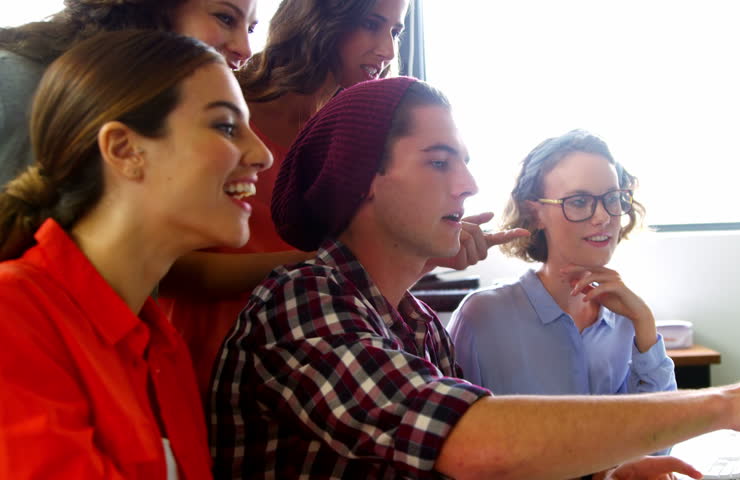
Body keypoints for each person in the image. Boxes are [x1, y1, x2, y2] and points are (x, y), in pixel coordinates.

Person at [209, 76, 740, 479]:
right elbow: (467, 442)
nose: (470, 183)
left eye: (466, 161)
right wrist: (730, 403)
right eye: (440, 161)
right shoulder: (303, 304)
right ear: (363, 181)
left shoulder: (413, 323)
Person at [159, 0, 526, 397]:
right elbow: (167, 269)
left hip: (318, 371)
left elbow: (350, 280)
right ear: (321, 17)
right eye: (371, 24)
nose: (386, 50)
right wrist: (341, 262)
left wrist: (419, 251)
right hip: (208, 362)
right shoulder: (221, 109)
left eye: (396, 32)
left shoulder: (354, 142)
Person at [0, 29, 272, 479]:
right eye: (225, 126)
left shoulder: (162, 346)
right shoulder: (14, 316)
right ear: (124, 150)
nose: (261, 154)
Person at [448, 130, 676, 400]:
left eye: (612, 198)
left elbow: (656, 441)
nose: (602, 216)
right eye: (579, 202)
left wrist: (645, 323)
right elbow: (449, 430)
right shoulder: (482, 316)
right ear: (535, 213)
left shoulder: (628, 321)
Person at [0, 0, 260, 186]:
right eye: (225, 18)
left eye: (250, 29)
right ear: (153, 9)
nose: (246, 50)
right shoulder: (21, 82)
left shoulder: (159, 114)